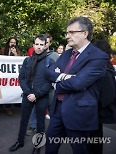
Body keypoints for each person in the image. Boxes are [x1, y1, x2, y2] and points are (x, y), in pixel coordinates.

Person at [45, 16, 108, 154]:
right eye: (67, 33)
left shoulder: (98, 56)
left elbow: (78, 83)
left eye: (71, 32)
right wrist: (64, 76)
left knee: (80, 150)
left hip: (79, 113)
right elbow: (49, 73)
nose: (67, 36)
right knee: (50, 147)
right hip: (57, 110)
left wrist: (56, 84)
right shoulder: (67, 54)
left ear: (84, 33)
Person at [9, 34, 54, 154]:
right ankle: (20, 141)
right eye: (37, 44)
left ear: (45, 46)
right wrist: (28, 93)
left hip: (41, 97)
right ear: (33, 45)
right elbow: (21, 77)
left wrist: (36, 94)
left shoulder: (50, 61)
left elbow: (50, 82)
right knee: (23, 120)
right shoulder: (27, 60)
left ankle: (38, 146)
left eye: (41, 44)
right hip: (28, 95)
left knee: (40, 123)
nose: (39, 47)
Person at [26, 34, 59, 136]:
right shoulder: (35, 56)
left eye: (46, 42)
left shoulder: (55, 56)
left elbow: (58, 71)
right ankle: (32, 126)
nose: (43, 45)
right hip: (38, 89)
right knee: (35, 109)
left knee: (52, 108)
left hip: (50, 89)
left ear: (48, 44)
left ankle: (54, 129)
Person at [90, 39, 116, 154]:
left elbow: (108, 95)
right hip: (95, 113)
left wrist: (94, 105)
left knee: (94, 141)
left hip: (96, 113)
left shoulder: (104, 70)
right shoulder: (102, 67)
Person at [0, 37, 21, 116]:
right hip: (2, 74)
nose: (13, 44)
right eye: (11, 42)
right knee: (0, 90)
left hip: (11, 76)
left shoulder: (17, 51)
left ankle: (8, 108)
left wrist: (15, 54)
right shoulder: (3, 50)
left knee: (9, 90)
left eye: (14, 42)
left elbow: (19, 61)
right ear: (8, 43)